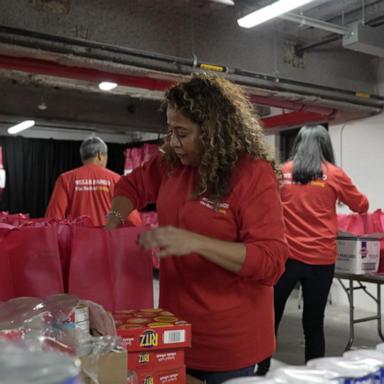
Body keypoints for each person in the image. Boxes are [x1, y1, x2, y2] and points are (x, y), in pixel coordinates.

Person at [106, 74, 288, 384]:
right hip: (174, 332)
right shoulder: (171, 164)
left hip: (229, 344)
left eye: (183, 133)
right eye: (170, 131)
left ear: (213, 132)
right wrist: (112, 225)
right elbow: (130, 186)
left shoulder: (251, 174)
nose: (173, 142)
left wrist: (196, 242)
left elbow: (271, 261)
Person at [256, 125, 369, 375]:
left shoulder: (282, 172)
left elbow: (263, 204)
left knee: (269, 319)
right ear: (325, 145)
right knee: (314, 323)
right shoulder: (334, 173)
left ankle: (260, 374)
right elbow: (362, 205)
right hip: (320, 260)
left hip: (284, 259)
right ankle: (315, 376)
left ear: (297, 143)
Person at [46, 136, 141, 227]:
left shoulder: (65, 179)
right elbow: (134, 220)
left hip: (77, 240)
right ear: (100, 155)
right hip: (108, 240)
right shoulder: (117, 179)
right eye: (106, 156)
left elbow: (53, 218)